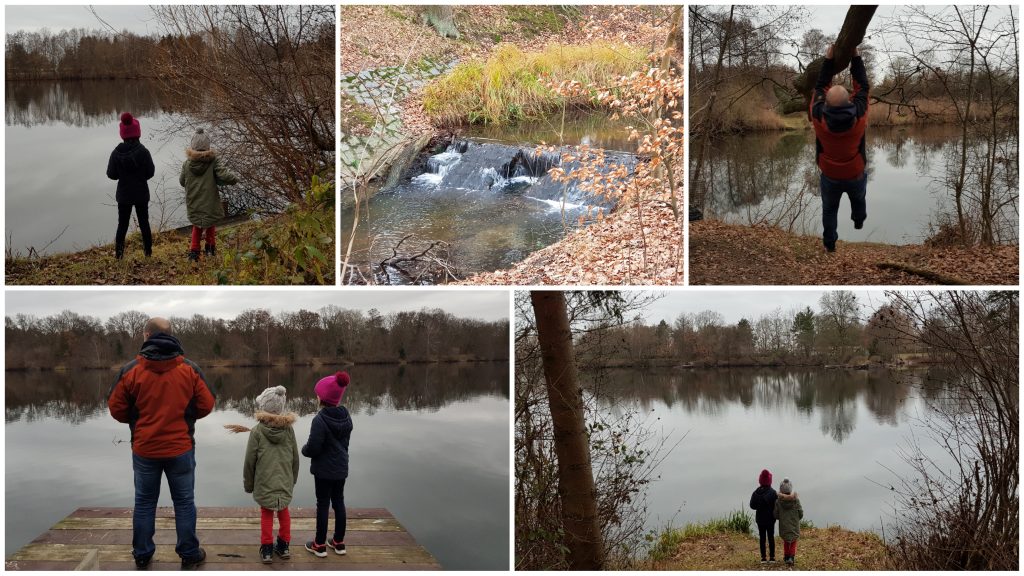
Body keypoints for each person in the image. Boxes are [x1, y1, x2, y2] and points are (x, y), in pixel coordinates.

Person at [107, 317, 216, 570]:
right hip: (181, 449)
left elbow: (116, 409)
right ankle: (189, 554)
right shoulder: (188, 369)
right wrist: (186, 415)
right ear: (171, 334)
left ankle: (143, 554)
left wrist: (138, 420)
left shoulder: (131, 370)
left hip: (145, 449)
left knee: (144, 503)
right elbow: (207, 404)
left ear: (146, 335)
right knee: (185, 502)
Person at [810, 44, 870, 253]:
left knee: (829, 210)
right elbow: (863, 86)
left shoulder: (817, 114)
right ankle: (859, 220)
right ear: (850, 100)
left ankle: (829, 245)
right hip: (854, 172)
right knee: (859, 199)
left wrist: (828, 60)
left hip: (830, 174)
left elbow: (820, 87)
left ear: (825, 103)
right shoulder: (860, 113)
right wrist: (855, 57)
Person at [243, 386, 300, 564]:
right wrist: (293, 479)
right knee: (284, 511)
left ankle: (267, 549)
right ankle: (283, 546)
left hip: (264, 482)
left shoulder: (257, 431)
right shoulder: (289, 430)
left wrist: (248, 484)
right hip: (285, 480)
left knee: (266, 512)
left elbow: (249, 461)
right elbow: (295, 458)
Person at [302, 372, 353, 558]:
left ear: (322, 398)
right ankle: (339, 543)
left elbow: (313, 448)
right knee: (339, 501)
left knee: (323, 504)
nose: (316, 396)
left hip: (323, 471)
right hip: (341, 468)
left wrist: (304, 450)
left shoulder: (319, 420)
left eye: (317, 394)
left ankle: (319, 544)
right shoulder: (346, 417)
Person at [180, 128, 238, 262]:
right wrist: (234, 179)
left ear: (193, 145)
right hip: (210, 200)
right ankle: (210, 249)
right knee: (210, 223)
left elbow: (182, 182)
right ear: (207, 146)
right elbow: (223, 174)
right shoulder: (213, 161)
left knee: (197, 225)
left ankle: (194, 253)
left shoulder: (187, 164)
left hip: (193, 200)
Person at [106, 112, 155, 260]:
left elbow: (111, 174)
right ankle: (148, 253)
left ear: (123, 134)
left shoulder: (116, 153)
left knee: (122, 225)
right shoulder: (144, 151)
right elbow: (150, 172)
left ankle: (119, 255)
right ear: (138, 133)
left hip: (124, 194)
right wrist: (140, 177)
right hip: (141, 192)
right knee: (144, 223)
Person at [773, 477, 804, 566]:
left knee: (786, 541)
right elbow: (800, 513)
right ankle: (791, 557)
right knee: (793, 541)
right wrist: (797, 519)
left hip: (784, 525)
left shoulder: (778, 501)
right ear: (790, 489)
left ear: (781, 490)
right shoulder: (796, 500)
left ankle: (786, 556)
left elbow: (776, 515)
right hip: (794, 525)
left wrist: (782, 518)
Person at [749, 469, 778, 564]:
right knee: (771, 537)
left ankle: (763, 558)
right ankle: (772, 557)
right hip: (770, 519)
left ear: (760, 480)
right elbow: (777, 505)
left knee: (762, 538)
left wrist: (759, 505)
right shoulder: (773, 493)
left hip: (760, 519)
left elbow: (752, 506)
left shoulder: (756, 492)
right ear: (770, 480)